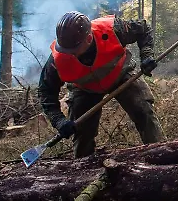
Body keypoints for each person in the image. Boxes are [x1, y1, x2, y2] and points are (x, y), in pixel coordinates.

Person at [38, 11, 165, 158]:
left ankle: (161, 153)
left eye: (73, 49)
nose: (69, 54)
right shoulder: (57, 60)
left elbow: (143, 29)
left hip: (121, 74)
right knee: (82, 132)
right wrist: (59, 121)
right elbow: (46, 92)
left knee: (143, 111)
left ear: (89, 38)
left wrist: (147, 55)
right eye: (66, 49)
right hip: (84, 88)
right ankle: (82, 169)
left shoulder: (113, 29)